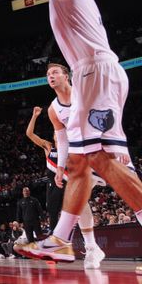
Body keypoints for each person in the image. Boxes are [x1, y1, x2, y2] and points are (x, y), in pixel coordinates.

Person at [0, 0, 142, 263]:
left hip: (97, 73)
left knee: (101, 161)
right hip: (94, 73)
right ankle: (60, 239)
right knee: (77, 161)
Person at [25, 63, 116, 268]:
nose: (51, 76)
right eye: (48, 74)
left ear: (67, 76)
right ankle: (91, 248)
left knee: (133, 194)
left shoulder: (84, 93)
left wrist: (115, 144)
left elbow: (109, 115)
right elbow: (63, 139)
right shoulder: (53, 109)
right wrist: (59, 168)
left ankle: (63, 242)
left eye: (55, 72)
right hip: (80, 159)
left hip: (105, 151)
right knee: (79, 200)